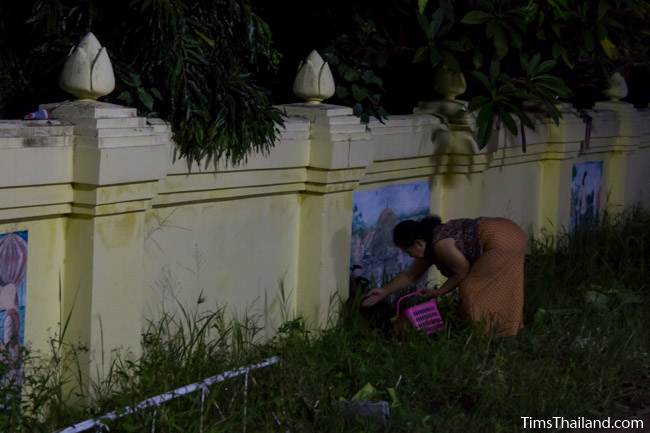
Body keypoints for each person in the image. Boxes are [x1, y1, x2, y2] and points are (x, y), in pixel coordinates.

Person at [361, 215, 527, 337]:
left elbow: (462, 271)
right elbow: (410, 276)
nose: (409, 256)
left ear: (418, 243)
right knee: (502, 286)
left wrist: (439, 292)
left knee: (470, 288)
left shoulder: (440, 244)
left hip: (500, 239)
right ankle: (503, 331)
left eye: (407, 251)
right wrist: (383, 291)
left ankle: (480, 336)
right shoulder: (430, 244)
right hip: (513, 232)